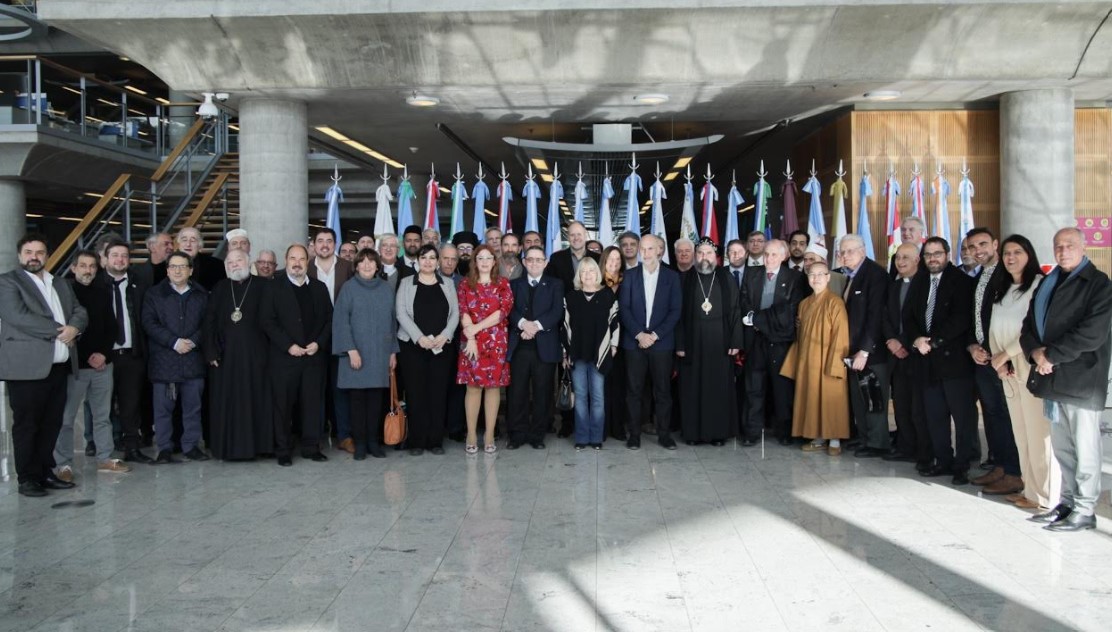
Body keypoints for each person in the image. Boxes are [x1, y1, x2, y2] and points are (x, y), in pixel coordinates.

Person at [1021, 228, 1112, 532]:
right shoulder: (1049, 280)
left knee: (1085, 449)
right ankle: (1068, 502)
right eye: (1058, 246)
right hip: (1052, 379)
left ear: (1083, 247)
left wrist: (1051, 356)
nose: (1063, 251)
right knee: (1063, 448)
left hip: (1081, 379)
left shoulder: (1099, 284)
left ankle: (1085, 510)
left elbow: (1092, 333)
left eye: (1070, 245)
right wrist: (1035, 352)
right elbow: (1030, 323)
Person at [0, 234, 87, 497]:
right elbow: (18, 316)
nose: (34, 256)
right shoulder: (7, 282)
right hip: (26, 369)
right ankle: (27, 478)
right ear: (20, 255)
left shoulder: (59, 283)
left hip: (58, 368)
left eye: (39, 252)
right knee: (27, 425)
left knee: (51, 424)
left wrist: (75, 327)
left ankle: (45, 472)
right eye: (28, 252)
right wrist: (62, 331)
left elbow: (80, 311)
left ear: (47, 255)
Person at [988, 235, 1059, 511]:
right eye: (1006, 253)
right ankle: (1030, 490)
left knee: (1039, 433)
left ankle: (1045, 496)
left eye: (1018, 252)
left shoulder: (1040, 286)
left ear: (1029, 255)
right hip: (1006, 369)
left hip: (1028, 367)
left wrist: (1006, 354)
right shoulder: (1004, 288)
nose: (1011, 257)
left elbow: (1033, 330)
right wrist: (999, 359)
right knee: (1022, 434)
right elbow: (995, 325)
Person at [906, 237, 978, 485]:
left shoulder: (961, 282)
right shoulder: (919, 280)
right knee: (934, 416)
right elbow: (909, 316)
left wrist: (934, 341)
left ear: (947, 254)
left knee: (962, 417)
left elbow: (961, 319)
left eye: (937, 253)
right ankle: (943, 460)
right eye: (928, 254)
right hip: (926, 361)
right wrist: (916, 339)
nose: (932, 258)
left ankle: (962, 465)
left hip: (954, 361)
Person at [55, 250, 131, 479]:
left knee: (102, 416)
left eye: (92, 267)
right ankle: (64, 465)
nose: (88, 270)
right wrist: (89, 354)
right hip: (74, 366)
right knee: (66, 418)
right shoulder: (63, 293)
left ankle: (105, 458)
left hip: (101, 366)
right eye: (83, 266)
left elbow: (112, 327)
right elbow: (65, 329)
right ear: (73, 268)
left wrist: (103, 355)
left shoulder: (102, 292)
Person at [260, 244, 333, 466]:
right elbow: (267, 321)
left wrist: (318, 344)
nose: (297, 263)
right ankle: (283, 449)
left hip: (312, 358)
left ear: (307, 261)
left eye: (301, 259)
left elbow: (330, 320)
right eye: (293, 258)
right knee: (283, 406)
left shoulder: (319, 288)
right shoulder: (274, 287)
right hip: (285, 359)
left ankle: (311, 447)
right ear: (286, 259)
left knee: (312, 404)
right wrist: (288, 345)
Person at [965, 227, 1021, 493]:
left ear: (995, 244)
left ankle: (1014, 471)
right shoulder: (978, 277)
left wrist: (1005, 353)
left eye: (983, 244)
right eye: (973, 247)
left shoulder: (1007, 276)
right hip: (982, 358)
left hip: (1003, 358)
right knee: (992, 414)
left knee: (1008, 415)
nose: (979, 251)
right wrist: (973, 346)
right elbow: (973, 320)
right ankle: (999, 465)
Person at [203, 249, 272, 460]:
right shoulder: (220, 288)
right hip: (225, 358)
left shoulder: (264, 286)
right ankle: (227, 448)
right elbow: (209, 322)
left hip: (257, 357)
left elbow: (272, 321)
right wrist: (210, 351)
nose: (234, 264)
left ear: (248, 262)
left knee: (257, 401)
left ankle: (259, 447)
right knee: (228, 403)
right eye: (230, 262)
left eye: (238, 260)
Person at [142, 250, 209, 464]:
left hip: (193, 360)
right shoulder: (154, 294)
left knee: (193, 407)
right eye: (173, 266)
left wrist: (193, 341)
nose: (177, 270)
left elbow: (208, 323)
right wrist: (174, 342)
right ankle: (164, 448)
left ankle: (191, 446)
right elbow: (149, 323)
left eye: (182, 266)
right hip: (165, 361)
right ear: (167, 270)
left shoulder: (201, 294)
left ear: (190, 270)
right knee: (163, 410)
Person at [334, 248, 400, 460]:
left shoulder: (385, 289)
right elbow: (341, 322)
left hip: (380, 354)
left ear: (377, 265)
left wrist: (393, 351)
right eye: (362, 261)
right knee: (357, 402)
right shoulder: (348, 288)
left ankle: (373, 442)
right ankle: (360, 443)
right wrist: (351, 350)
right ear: (356, 265)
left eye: (371, 262)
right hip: (356, 355)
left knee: (375, 402)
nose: (366, 265)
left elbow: (392, 322)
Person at [739, 239, 807, 445]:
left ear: (784, 256)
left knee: (782, 390)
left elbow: (788, 312)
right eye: (766, 254)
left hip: (780, 342)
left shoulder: (795, 278)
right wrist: (759, 320)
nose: (769, 258)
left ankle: (784, 432)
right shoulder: (752, 274)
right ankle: (752, 433)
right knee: (753, 387)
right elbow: (744, 304)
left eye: (774, 254)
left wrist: (756, 320)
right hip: (755, 341)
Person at [618, 234, 681, 450]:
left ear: (659, 251)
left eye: (650, 249)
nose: (645, 253)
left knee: (662, 391)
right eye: (642, 249)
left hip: (661, 344)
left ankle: (664, 435)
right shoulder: (629, 276)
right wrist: (639, 334)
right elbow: (623, 309)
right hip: (634, 343)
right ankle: (634, 435)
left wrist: (654, 335)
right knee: (634, 391)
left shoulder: (672, 277)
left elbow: (675, 311)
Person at [676, 239, 741, 446]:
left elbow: (735, 310)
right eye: (701, 253)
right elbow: (678, 314)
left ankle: (718, 433)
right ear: (696, 256)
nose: (705, 257)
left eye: (709, 253)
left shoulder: (725, 277)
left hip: (720, 341)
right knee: (692, 387)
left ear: (716, 257)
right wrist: (680, 344)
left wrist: (735, 340)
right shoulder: (686, 279)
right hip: (692, 342)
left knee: (718, 387)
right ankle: (692, 434)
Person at [395, 244, 460, 455]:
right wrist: (419, 338)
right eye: (424, 257)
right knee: (416, 394)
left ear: (438, 261)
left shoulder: (448, 284)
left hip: (441, 348)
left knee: (438, 393)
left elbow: (455, 315)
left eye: (433, 258)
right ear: (418, 260)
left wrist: (444, 336)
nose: (428, 262)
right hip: (413, 348)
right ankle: (417, 440)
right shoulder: (406, 283)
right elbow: (401, 314)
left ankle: (435, 441)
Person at [781, 261, 851, 454]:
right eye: (812, 275)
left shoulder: (835, 302)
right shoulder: (804, 304)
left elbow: (841, 335)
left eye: (821, 274)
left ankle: (835, 440)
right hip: (808, 361)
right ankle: (818, 437)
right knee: (812, 399)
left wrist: (837, 362)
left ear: (828, 277)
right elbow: (800, 335)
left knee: (831, 399)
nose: (816, 278)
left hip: (829, 359)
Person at [836, 234, 891, 458]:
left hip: (870, 353)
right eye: (842, 252)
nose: (845, 256)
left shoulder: (875, 275)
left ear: (863, 251)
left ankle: (877, 443)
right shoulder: (847, 275)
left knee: (873, 397)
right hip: (852, 350)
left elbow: (875, 316)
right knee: (859, 398)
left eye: (850, 251)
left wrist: (865, 350)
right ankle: (864, 437)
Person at [545, 221, 600, 438]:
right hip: (565, 322)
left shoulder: (596, 259)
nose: (576, 238)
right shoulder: (557, 259)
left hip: (591, 326)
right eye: (573, 235)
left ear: (586, 235)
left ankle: (592, 424)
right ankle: (568, 423)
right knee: (566, 375)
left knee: (592, 377)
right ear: (568, 236)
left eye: (580, 234)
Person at [456, 244, 513, 453]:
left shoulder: (503, 284)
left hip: (495, 342)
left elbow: (502, 313)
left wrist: (475, 330)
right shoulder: (464, 285)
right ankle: (471, 434)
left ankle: (489, 435)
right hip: (470, 342)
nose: (485, 261)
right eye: (480, 258)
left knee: (493, 387)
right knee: (472, 388)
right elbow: (463, 310)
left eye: (489, 258)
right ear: (475, 261)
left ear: (494, 261)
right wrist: (470, 336)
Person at [507, 246, 564, 450]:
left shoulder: (556, 285)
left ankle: (537, 434)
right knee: (517, 392)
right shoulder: (513, 284)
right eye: (530, 260)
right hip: (520, 346)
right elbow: (508, 309)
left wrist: (535, 327)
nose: (534, 263)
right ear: (524, 262)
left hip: (545, 346)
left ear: (545, 262)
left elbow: (556, 311)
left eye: (538, 260)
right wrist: (523, 324)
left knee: (542, 393)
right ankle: (517, 434)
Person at [103, 239, 154, 463]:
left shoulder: (139, 284)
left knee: (131, 404)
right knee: (102, 404)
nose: (120, 260)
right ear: (105, 258)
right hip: (104, 356)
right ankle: (103, 448)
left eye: (124, 256)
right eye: (115, 255)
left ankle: (132, 447)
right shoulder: (96, 285)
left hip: (132, 354)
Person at [883, 243, 931, 471]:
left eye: (906, 257)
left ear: (917, 260)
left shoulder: (926, 284)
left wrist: (902, 341)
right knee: (900, 403)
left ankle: (922, 450)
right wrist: (891, 341)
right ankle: (905, 446)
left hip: (918, 354)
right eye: (897, 258)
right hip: (896, 353)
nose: (901, 262)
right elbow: (884, 316)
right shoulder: (893, 286)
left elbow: (920, 321)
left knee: (918, 407)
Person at [563, 257, 619, 450]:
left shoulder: (607, 296)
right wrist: (565, 352)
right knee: (580, 396)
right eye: (583, 271)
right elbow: (565, 326)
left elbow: (615, 323)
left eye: (591, 271)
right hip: (577, 353)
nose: (588, 275)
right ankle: (581, 437)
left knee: (597, 397)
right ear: (579, 275)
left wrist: (613, 346)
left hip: (600, 353)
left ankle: (596, 437)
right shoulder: (571, 297)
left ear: (597, 273)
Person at [308, 227, 354, 452]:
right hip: (313, 339)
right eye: (320, 241)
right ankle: (314, 436)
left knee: (340, 387)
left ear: (335, 244)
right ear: (314, 245)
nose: (324, 245)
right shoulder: (305, 268)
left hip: (341, 336)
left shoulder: (348, 267)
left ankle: (344, 434)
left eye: (329, 241)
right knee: (315, 388)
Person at [600, 245, 628, 440]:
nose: (614, 263)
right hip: (600, 344)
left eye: (618, 260)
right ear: (604, 261)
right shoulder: (595, 281)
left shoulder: (627, 282)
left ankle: (617, 427)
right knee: (600, 387)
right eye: (611, 259)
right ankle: (601, 429)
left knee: (619, 387)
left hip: (623, 343)